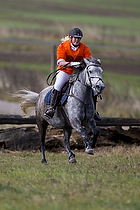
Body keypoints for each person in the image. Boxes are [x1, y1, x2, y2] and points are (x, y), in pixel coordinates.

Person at [44, 27, 101, 120]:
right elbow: (60, 62)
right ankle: (52, 108)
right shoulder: (63, 46)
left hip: (79, 73)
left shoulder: (84, 48)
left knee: (93, 90)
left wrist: (94, 63)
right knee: (58, 85)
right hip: (65, 71)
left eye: (79, 38)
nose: (77, 40)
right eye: (75, 38)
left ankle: (93, 111)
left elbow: (89, 60)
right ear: (71, 38)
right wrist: (72, 64)